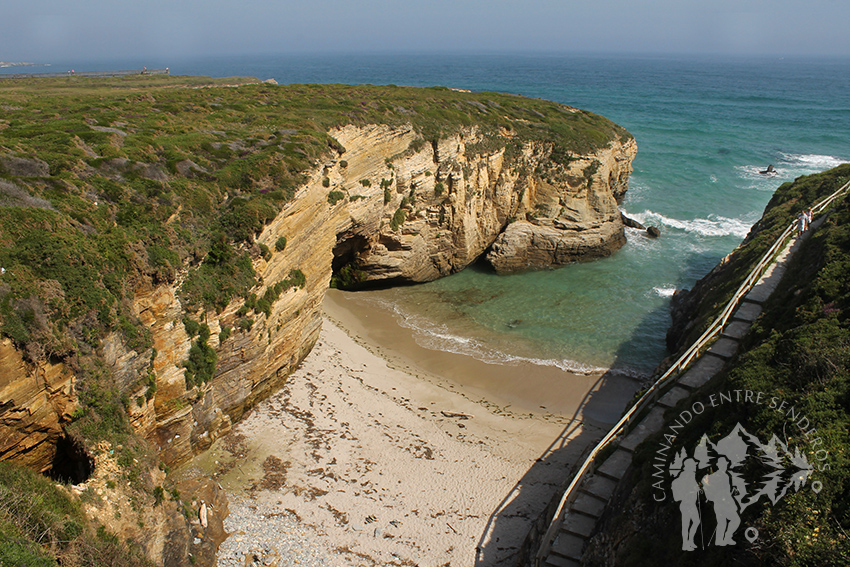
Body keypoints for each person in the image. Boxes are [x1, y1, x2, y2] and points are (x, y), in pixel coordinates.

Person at [702, 457, 741, 546]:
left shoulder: (719, 476)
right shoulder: (723, 476)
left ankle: (720, 540)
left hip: (718, 502)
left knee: (722, 522)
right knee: (735, 520)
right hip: (723, 502)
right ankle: (726, 538)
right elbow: (724, 492)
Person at [672, 458, 702, 551]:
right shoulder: (686, 476)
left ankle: (689, 542)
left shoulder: (690, 475)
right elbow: (687, 490)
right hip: (687, 503)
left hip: (690, 503)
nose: (695, 466)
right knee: (688, 524)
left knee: (693, 522)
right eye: (693, 465)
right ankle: (686, 543)